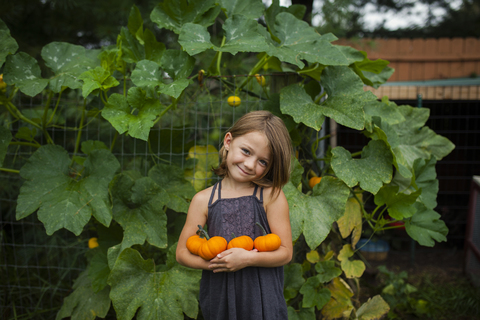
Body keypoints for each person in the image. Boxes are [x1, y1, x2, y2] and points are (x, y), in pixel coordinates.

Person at [176, 110, 294, 320]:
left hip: (263, 300)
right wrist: (218, 264)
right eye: (246, 151)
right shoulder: (204, 200)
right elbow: (182, 252)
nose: (250, 164)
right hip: (220, 295)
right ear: (229, 141)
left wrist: (247, 258)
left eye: (263, 162)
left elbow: (285, 252)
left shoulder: (271, 196)